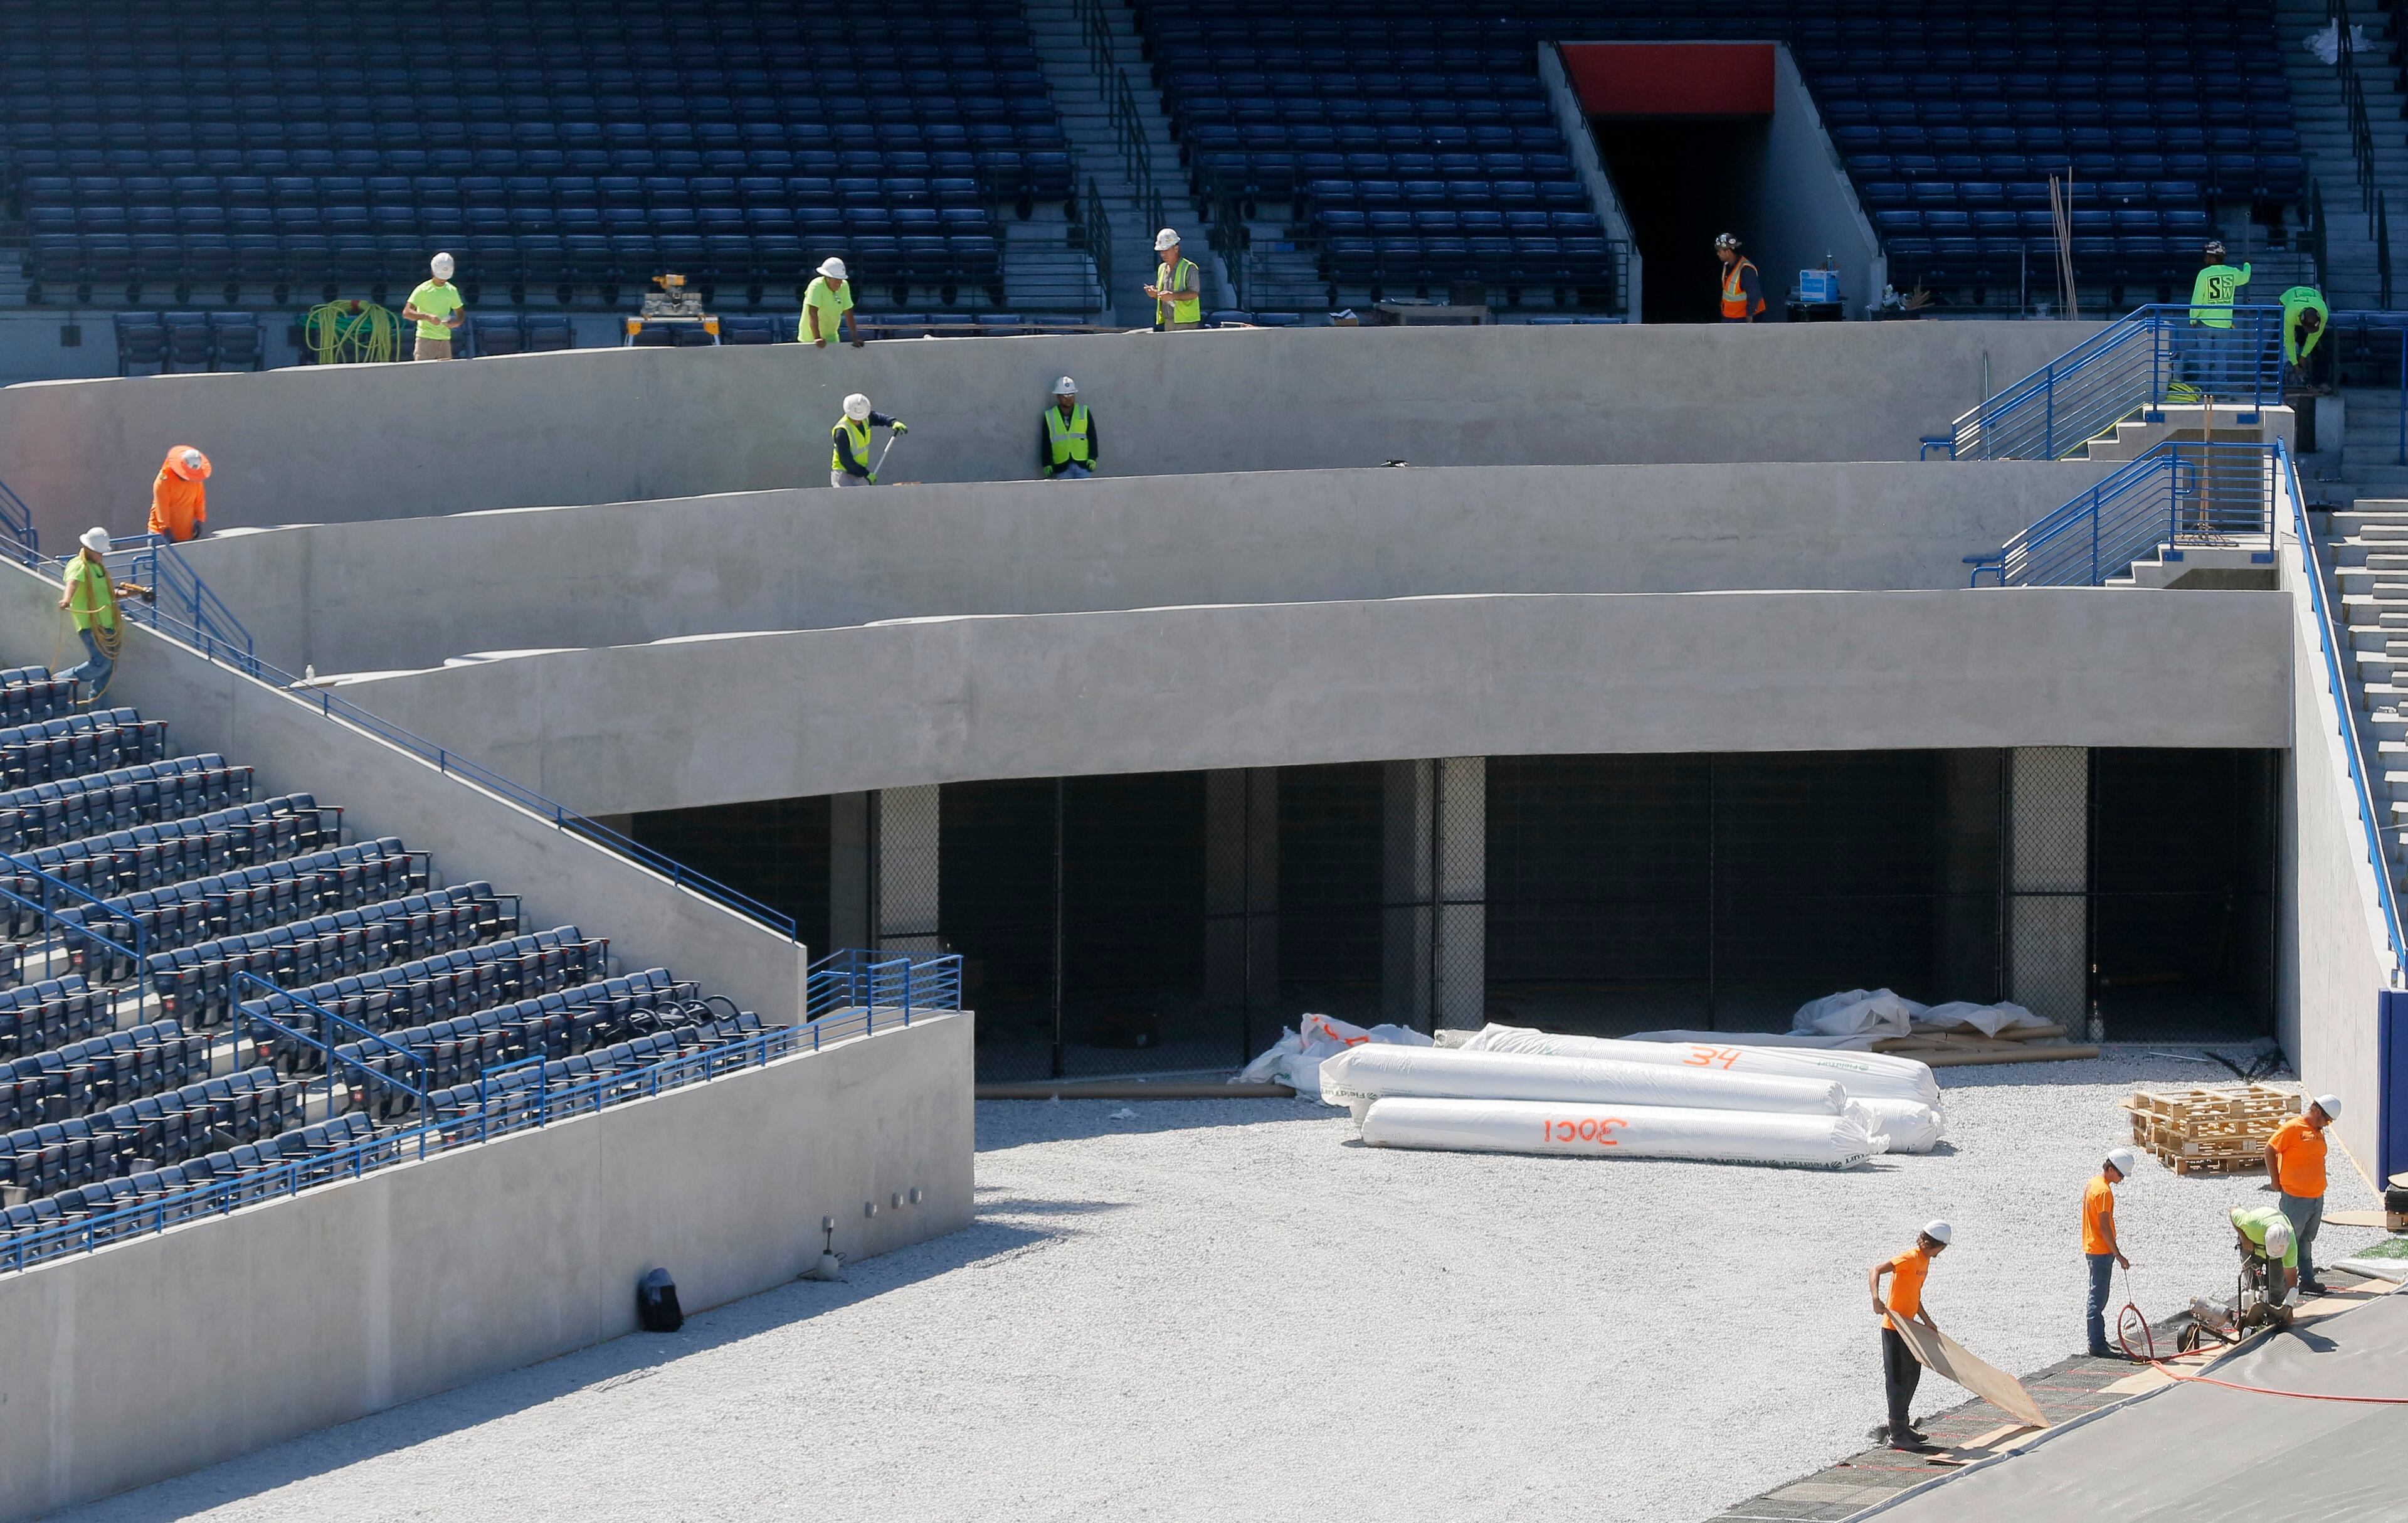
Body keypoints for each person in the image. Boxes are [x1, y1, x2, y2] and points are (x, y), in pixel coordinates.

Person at [1869, 1220, 1951, 1452]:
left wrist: (1926, 1320)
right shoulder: (1909, 1258)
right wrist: (1876, 1298)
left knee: (1912, 1376)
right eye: (1941, 1248)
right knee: (1897, 1380)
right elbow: (1875, 1270)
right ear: (1935, 1245)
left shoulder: (1924, 1262)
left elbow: (1914, 1294)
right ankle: (1896, 1434)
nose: (1941, 1253)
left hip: (1910, 1327)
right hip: (1894, 1328)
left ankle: (1904, 1427)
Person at [55, 528, 150, 703]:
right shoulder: (79, 565)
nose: (102, 556)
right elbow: (73, 583)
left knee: (109, 667)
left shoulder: (98, 569)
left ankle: (97, 708)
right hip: (90, 624)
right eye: (99, 552)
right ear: (89, 549)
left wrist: (130, 594)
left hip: (107, 624)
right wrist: (66, 599)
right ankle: (61, 680)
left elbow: (108, 594)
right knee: (102, 662)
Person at [2264, 1094, 2339, 1294]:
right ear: (2315, 1110)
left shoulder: (2317, 1130)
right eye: (2327, 1120)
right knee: (2287, 1241)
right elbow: (2270, 1150)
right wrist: (2275, 1180)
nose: (2327, 1125)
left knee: (2305, 1240)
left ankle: (2306, 1279)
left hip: (2316, 1197)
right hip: (2296, 1198)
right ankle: (2278, 1284)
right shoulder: (2292, 1128)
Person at [2084, 1147, 2136, 1358]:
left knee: (2098, 1296)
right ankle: (2096, 1344)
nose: (2122, 1179)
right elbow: (2104, 1228)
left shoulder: (2093, 1183)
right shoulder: (2104, 1192)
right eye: (2121, 1174)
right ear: (2111, 1169)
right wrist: (2118, 1255)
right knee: (2098, 1299)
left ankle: (2099, 1341)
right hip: (2101, 1251)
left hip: (2092, 1248)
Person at [2187, 240, 2253, 395]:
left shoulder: (2204, 274)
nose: (2204, 259)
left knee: (2203, 356)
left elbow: (2198, 298)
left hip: (2205, 323)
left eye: (2206, 256)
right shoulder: (2232, 273)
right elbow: (2245, 278)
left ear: (2212, 257)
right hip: (2224, 324)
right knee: (2220, 358)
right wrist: (2247, 265)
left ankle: (2204, 388)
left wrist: (2192, 319)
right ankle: (2219, 389)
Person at [830, 392, 907, 487]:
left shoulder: (865, 418)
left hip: (860, 472)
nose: (858, 421)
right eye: (854, 419)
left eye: (860, 418)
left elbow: (878, 418)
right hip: (844, 475)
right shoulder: (842, 431)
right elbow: (847, 461)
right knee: (848, 501)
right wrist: (866, 474)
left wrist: (892, 422)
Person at [2230, 1204, 2299, 1308]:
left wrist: (2288, 1307)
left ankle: (2276, 1310)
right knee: (2249, 1287)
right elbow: (2232, 1211)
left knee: (2277, 1287)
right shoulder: (2251, 1224)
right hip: (2250, 1244)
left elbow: (2291, 1282)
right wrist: (2243, 1238)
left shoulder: (2290, 1245)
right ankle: (2248, 1310)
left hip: (2272, 1250)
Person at [402, 252, 465, 361]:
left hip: (445, 340)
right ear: (432, 271)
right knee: (423, 375)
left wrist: (456, 323)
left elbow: (461, 314)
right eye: (440, 276)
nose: (442, 280)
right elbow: (406, 313)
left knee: (445, 376)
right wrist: (427, 317)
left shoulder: (452, 291)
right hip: (425, 340)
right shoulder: (422, 289)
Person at [1038, 376, 1097, 480]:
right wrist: (1047, 463)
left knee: (1085, 495)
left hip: (1083, 465)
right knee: (1064, 495)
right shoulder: (1050, 416)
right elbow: (1046, 442)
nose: (1069, 399)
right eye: (1065, 396)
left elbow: (1092, 436)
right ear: (1058, 396)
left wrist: (1093, 457)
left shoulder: (1084, 412)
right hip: (1062, 467)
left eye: (1071, 395)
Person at [147, 445, 210, 543]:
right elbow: (162, 508)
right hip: (161, 535)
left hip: (185, 535)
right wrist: (166, 530)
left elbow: (199, 500)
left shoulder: (195, 480)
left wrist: (200, 520)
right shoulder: (164, 481)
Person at [1144, 228, 1201, 331]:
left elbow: (1194, 293)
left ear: (1176, 249)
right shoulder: (1162, 268)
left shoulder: (1189, 267)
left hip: (1186, 322)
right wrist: (1155, 294)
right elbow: (1163, 295)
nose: (1163, 254)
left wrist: (1173, 296)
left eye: (1166, 250)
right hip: (1168, 321)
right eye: (1161, 251)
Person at [801, 257, 861, 348]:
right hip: (809, 340)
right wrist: (817, 338)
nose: (839, 283)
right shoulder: (816, 285)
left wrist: (855, 338)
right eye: (836, 279)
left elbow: (849, 313)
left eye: (841, 279)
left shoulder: (844, 286)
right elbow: (812, 312)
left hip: (832, 339)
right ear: (827, 278)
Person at [2279, 284, 2330, 379]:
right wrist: (2294, 363)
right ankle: (2265, 375)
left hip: (2312, 299)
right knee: (2277, 340)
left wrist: (2303, 356)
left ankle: (2321, 381)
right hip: (2287, 301)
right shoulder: (2290, 314)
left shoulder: (2324, 314)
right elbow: (2289, 340)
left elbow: (2314, 337)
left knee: (2319, 347)